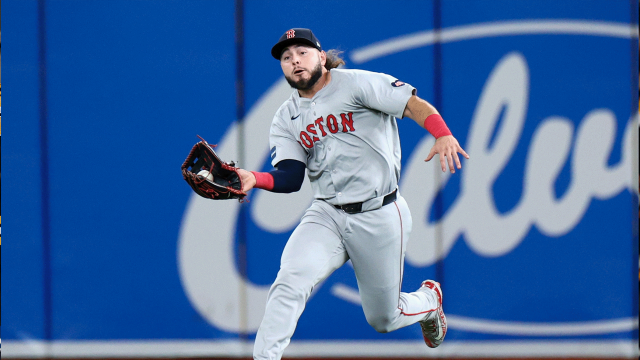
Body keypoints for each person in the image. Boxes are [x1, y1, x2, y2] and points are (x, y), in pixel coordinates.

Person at [236, 28, 469, 360]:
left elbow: (412, 104)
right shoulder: (286, 117)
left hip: (380, 211)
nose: (295, 61)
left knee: (384, 319)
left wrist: (442, 134)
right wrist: (252, 178)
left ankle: (429, 302)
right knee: (290, 281)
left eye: (301, 52)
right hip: (327, 213)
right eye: (286, 58)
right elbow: (290, 176)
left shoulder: (358, 83)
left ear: (321, 56)